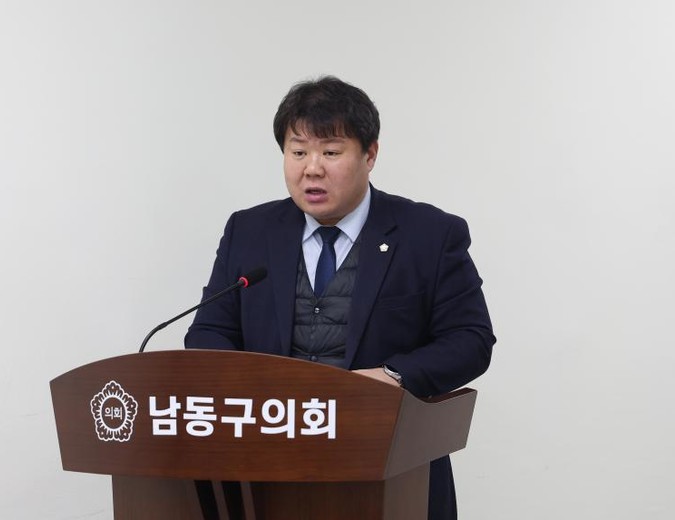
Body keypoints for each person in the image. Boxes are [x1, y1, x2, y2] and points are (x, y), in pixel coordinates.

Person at [185, 76, 495, 520]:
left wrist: (394, 375)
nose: (312, 168)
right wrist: (251, 390)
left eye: (330, 152)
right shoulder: (249, 231)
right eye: (298, 152)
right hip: (267, 471)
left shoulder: (429, 234)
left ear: (370, 155)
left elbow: (470, 339)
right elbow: (209, 332)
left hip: (389, 470)